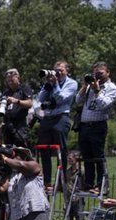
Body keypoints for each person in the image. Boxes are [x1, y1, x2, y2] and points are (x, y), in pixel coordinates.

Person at [76, 61, 116, 193]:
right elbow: (77, 100)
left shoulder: (112, 87)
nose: (97, 76)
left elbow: (104, 105)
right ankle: (89, 183)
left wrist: (97, 91)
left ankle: (101, 185)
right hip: (84, 126)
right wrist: (85, 85)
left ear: (108, 72)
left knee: (98, 157)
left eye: (100, 73)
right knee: (87, 156)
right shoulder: (89, 86)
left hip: (98, 126)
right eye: (95, 73)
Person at [36, 60, 78, 190]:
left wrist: (55, 84)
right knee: (44, 149)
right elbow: (40, 98)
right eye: (56, 70)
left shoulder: (72, 83)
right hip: (47, 118)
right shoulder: (50, 82)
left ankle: (62, 180)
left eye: (61, 70)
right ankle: (47, 181)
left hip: (61, 117)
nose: (58, 72)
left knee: (61, 149)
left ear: (67, 71)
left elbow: (60, 98)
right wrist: (48, 84)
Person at [0, 69, 33, 147]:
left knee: (21, 149)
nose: (10, 80)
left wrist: (16, 101)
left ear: (18, 77)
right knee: (8, 151)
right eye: (8, 79)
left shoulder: (24, 88)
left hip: (19, 126)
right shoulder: (5, 93)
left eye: (12, 78)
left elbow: (29, 103)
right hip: (7, 125)